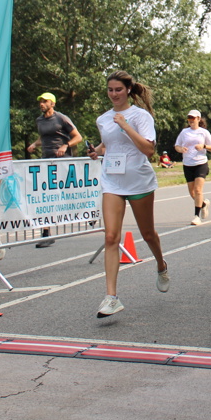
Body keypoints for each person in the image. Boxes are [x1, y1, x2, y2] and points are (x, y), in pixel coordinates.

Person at [88, 70, 169, 318]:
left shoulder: (140, 116)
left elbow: (148, 150)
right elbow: (108, 145)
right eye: (110, 90)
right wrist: (96, 151)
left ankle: (161, 265)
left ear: (128, 90)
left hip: (138, 182)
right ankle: (111, 297)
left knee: (148, 233)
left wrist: (125, 126)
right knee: (111, 236)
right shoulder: (103, 119)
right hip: (112, 182)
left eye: (118, 90)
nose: (114, 94)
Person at [26, 92, 83, 247]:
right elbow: (43, 137)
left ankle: (89, 213)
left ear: (52, 103)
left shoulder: (61, 118)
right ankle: (46, 234)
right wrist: (34, 144)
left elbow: (78, 137)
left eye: (45, 101)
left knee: (70, 192)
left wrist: (65, 146)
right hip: (47, 161)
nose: (41, 104)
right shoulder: (39, 120)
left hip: (63, 161)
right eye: (40, 101)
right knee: (46, 196)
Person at [175, 110, 211, 225]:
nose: (191, 120)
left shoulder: (204, 132)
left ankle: (196, 216)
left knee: (198, 190)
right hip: (187, 164)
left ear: (198, 119)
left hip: (200, 163)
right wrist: (181, 149)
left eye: (193, 118)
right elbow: (177, 145)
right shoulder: (184, 132)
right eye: (189, 118)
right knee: (192, 192)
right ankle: (203, 204)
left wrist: (203, 146)